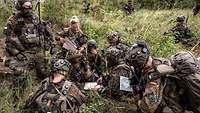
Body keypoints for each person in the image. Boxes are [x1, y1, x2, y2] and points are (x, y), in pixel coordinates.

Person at [3, 0, 53, 99]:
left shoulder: (36, 18)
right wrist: (17, 53)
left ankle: (47, 96)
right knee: (20, 75)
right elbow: (8, 41)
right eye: (26, 6)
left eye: (30, 5)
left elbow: (46, 33)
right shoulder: (13, 20)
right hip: (24, 52)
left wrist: (47, 44)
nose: (29, 8)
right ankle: (16, 99)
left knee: (46, 73)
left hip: (38, 51)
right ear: (20, 6)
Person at [126, 40, 170, 113]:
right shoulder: (149, 62)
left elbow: (148, 107)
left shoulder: (154, 75)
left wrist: (139, 102)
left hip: (169, 104)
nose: (135, 68)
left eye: (136, 66)